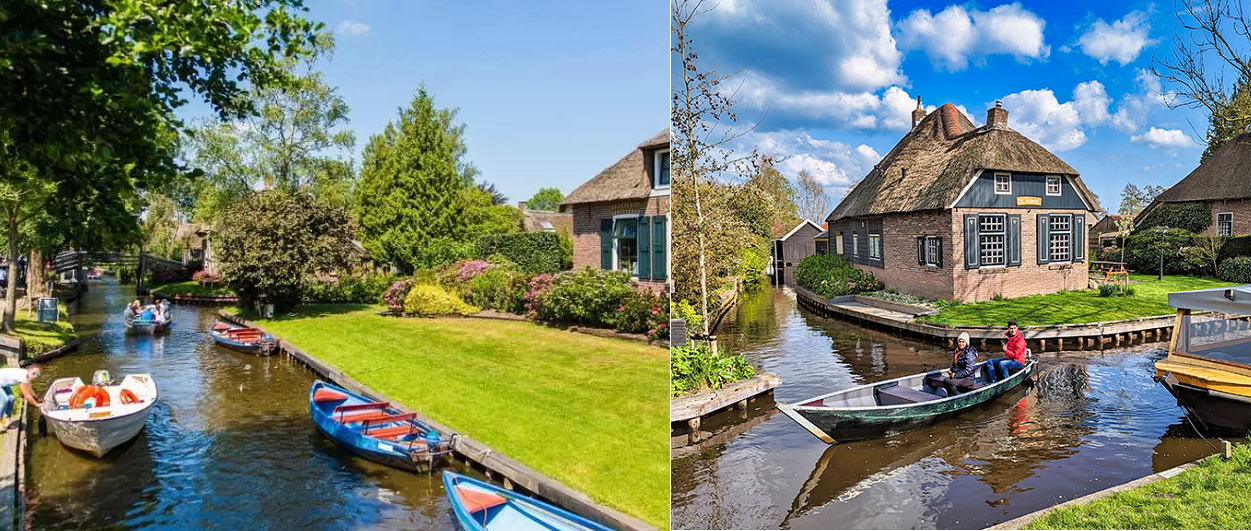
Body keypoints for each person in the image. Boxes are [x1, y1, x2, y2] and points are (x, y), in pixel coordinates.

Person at [927, 332, 979, 396]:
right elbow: (954, 363)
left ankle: (956, 398)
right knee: (945, 380)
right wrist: (951, 370)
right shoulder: (957, 351)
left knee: (949, 382)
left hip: (968, 378)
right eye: (960, 341)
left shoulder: (969, 353)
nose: (961, 344)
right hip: (959, 376)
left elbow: (968, 371)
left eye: (963, 342)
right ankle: (951, 396)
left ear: (966, 343)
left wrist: (955, 375)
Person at [0, 364, 43, 431]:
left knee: (11, 398)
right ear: (29, 369)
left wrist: (37, 398)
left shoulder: (27, 375)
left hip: (3, 383)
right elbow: (26, 395)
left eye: (37, 374)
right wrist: (37, 405)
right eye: (34, 373)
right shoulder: (22, 377)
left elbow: (30, 389)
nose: (34, 376)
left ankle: (7, 420)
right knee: (5, 400)